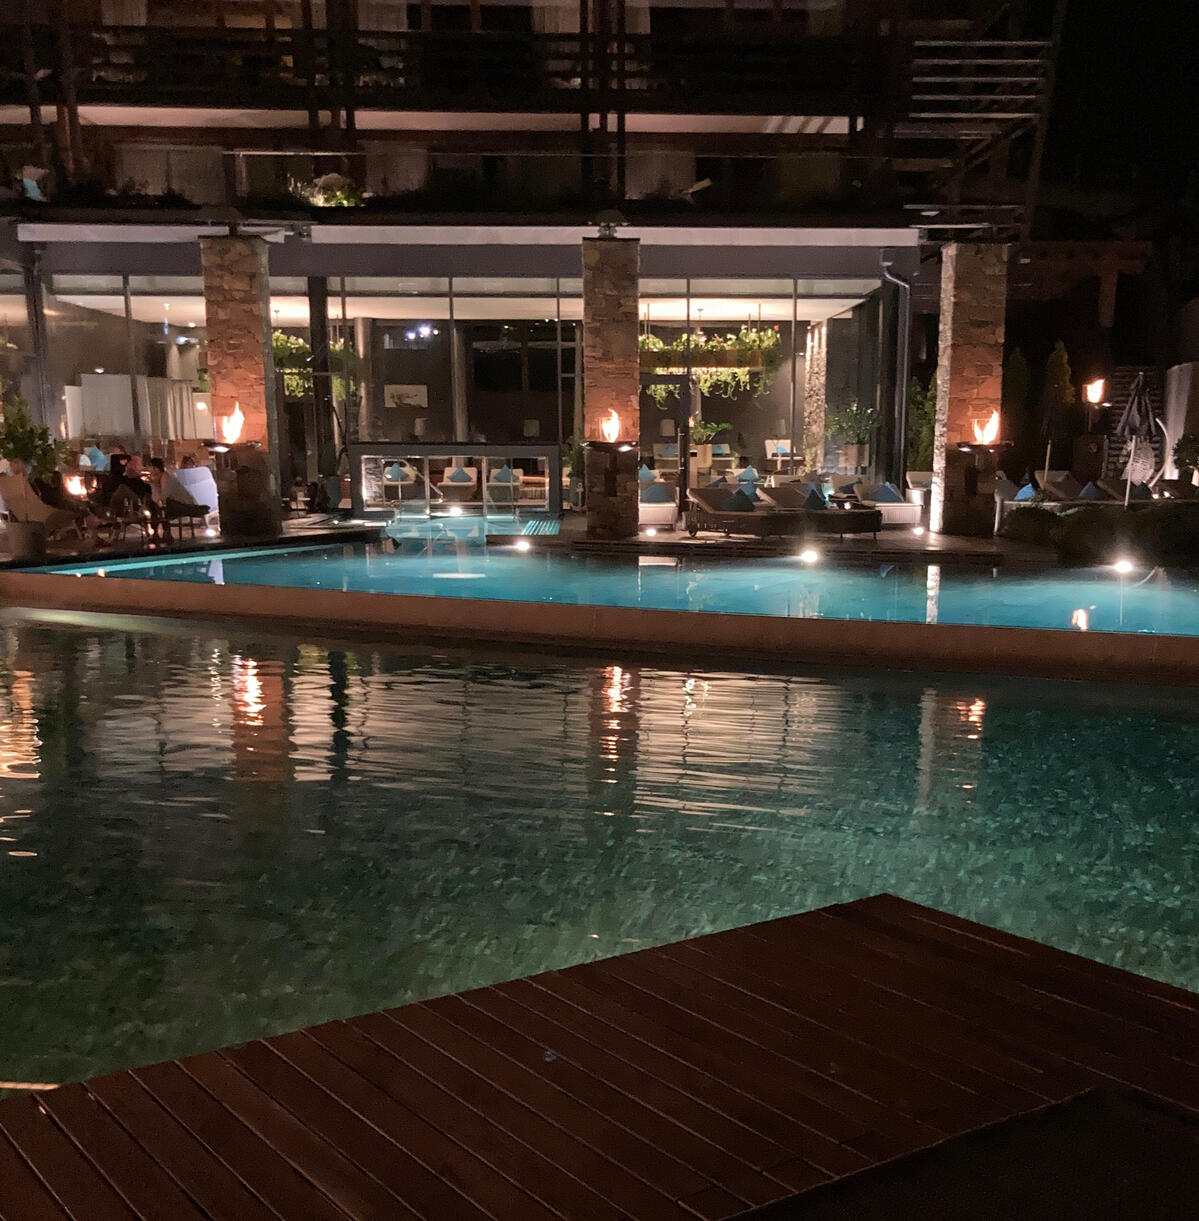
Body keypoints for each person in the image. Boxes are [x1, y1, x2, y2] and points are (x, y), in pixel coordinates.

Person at [0, 458, 87, 538]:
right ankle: (83, 530)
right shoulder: (41, 479)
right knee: (81, 508)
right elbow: (54, 500)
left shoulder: (12, 484)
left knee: (73, 505)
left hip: (28, 517)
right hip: (49, 514)